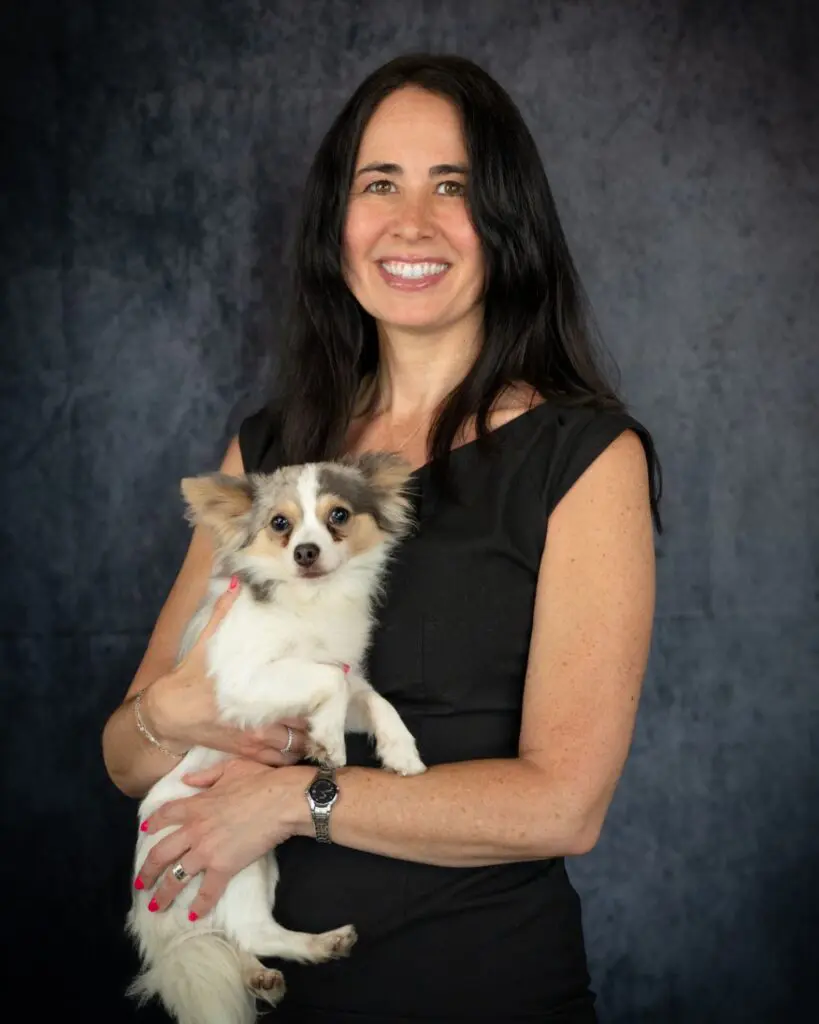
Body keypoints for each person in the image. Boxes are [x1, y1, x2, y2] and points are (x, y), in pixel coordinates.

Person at [102, 53, 662, 1024]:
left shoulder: (583, 458)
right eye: (380, 184)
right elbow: (123, 756)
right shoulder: (269, 452)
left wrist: (292, 800)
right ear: (338, 222)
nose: (413, 222)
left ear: (507, 224)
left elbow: (564, 804)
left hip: (482, 993)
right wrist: (175, 709)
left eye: (454, 186)